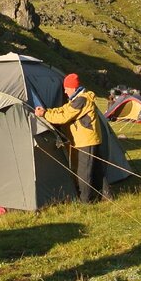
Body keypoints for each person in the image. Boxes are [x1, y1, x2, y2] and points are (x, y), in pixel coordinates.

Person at [34, 73, 109, 203]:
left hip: (86, 141)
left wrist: (44, 114)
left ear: (73, 88)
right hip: (88, 139)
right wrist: (48, 111)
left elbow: (64, 117)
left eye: (66, 88)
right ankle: (106, 196)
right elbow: (63, 110)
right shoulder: (77, 99)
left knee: (83, 172)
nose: (65, 91)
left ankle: (86, 200)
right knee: (96, 169)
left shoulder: (81, 100)